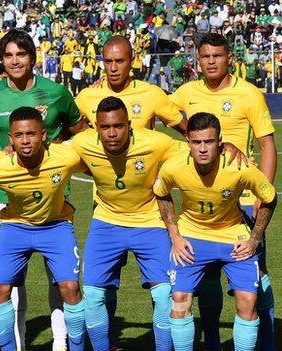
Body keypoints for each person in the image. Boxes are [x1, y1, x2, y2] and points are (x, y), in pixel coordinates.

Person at [171, 33, 277, 351]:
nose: (212, 61)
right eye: (206, 56)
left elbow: (267, 145)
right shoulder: (186, 93)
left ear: (229, 57)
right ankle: (214, 341)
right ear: (197, 60)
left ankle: (268, 341)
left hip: (242, 200)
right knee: (207, 276)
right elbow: (155, 111)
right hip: (201, 199)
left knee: (257, 273)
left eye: (218, 55)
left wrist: (261, 196)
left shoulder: (248, 94)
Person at [0, 29, 80, 351]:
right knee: (11, 280)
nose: (15, 61)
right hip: (8, 199)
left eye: (21, 54)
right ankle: (17, 344)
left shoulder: (57, 92)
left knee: (59, 276)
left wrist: (57, 149)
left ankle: (61, 341)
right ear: (1, 60)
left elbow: (81, 132)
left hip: (53, 192)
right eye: (8, 55)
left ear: (33, 58)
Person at [68, 96, 192, 351]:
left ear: (129, 125)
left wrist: (228, 148)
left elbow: (196, 150)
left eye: (118, 126)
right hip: (106, 221)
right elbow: (50, 154)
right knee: (92, 296)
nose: (112, 133)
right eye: (105, 127)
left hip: (150, 221)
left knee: (163, 296)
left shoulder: (156, 142)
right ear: (95, 127)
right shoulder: (83, 143)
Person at [154, 112, 277, 351]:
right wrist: (175, 236)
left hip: (233, 236)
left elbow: (269, 198)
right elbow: (161, 193)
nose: (202, 149)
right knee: (179, 301)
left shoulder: (239, 167)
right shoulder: (174, 167)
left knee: (248, 300)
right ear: (188, 140)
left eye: (209, 142)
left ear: (219, 141)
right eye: (196, 142)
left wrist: (255, 238)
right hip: (192, 236)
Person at [0, 106, 86, 351]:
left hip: (56, 226)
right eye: (19, 135)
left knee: (70, 288)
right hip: (15, 227)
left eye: (31, 134)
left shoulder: (65, 157)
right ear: (10, 139)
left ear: (44, 135)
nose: (25, 141)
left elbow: (94, 158)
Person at [76, 36, 186, 134]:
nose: (113, 68)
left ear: (131, 62)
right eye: (108, 61)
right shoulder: (87, 95)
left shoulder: (151, 93)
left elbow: (187, 131)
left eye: (119, 61)